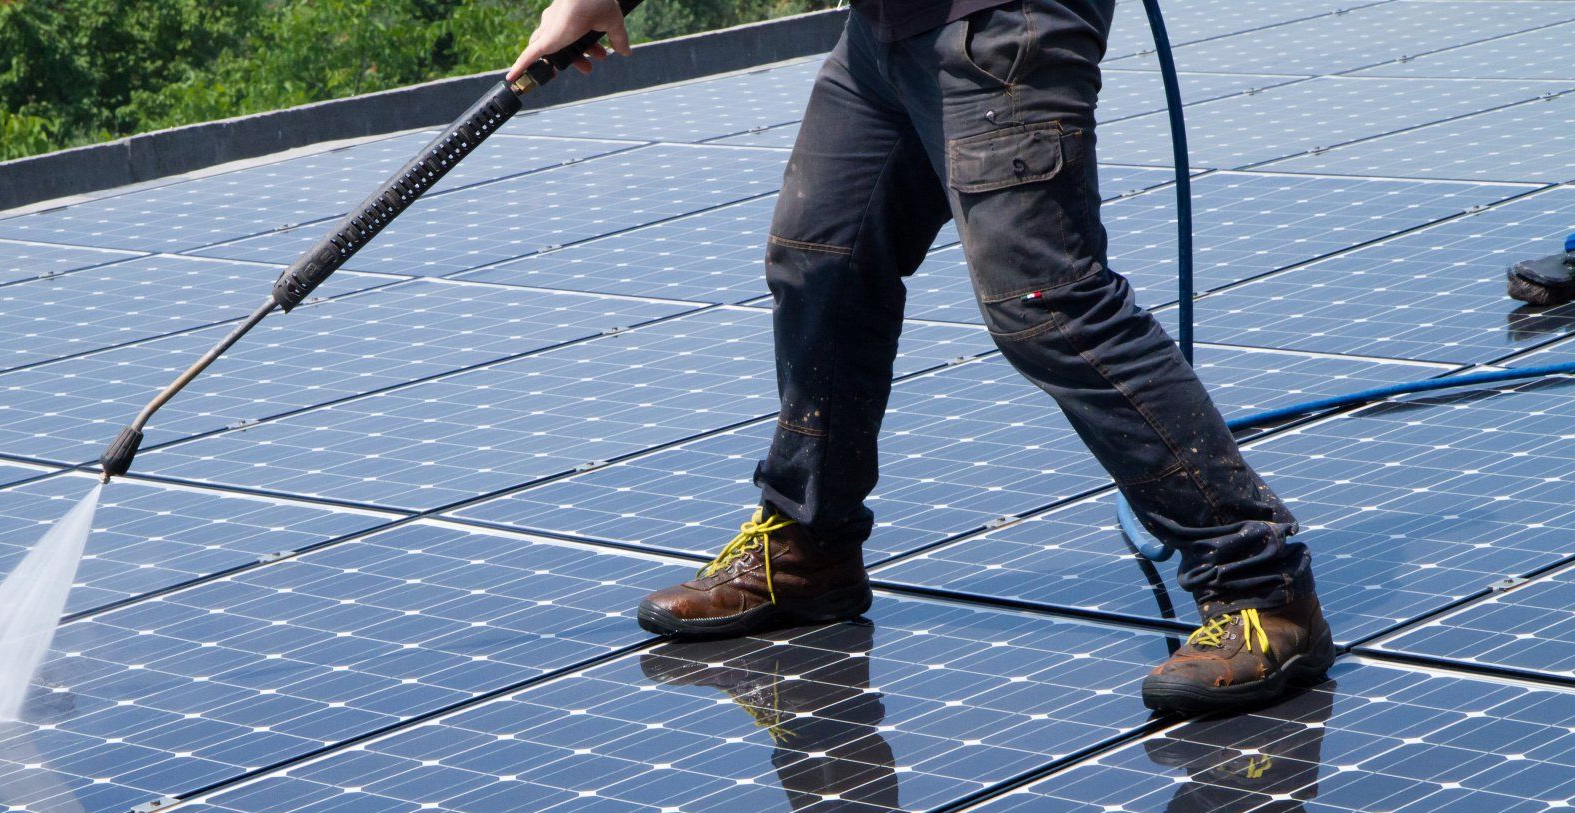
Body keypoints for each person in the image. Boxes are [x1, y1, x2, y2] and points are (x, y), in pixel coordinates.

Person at [510, 0, 1334, 717]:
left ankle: (1263, 589)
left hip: (999, 24)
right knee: (821, 262)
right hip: (883, 29)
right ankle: (810, 544)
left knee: (1045, 303)